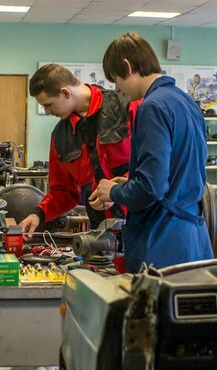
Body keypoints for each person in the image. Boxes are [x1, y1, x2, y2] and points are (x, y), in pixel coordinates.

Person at [89, 32, 213, 272]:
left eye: (117, 79)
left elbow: (151, 188)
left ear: (127, 66)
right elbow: (176, 173)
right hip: (193, 237)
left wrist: (112, 191)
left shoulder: (152, 107)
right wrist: (128, 183)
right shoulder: (185, 101)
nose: (117, 88)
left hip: (162, 240)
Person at [19, 64, 139, 240]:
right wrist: (38, 214)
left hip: (144, 223)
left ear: (65, 93)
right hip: (101, 235)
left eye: (48, 105)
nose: (47, 111)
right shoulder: (60, 137)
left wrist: (118, 191)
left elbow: (153, 166)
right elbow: (63, 191)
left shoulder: (127, 108)